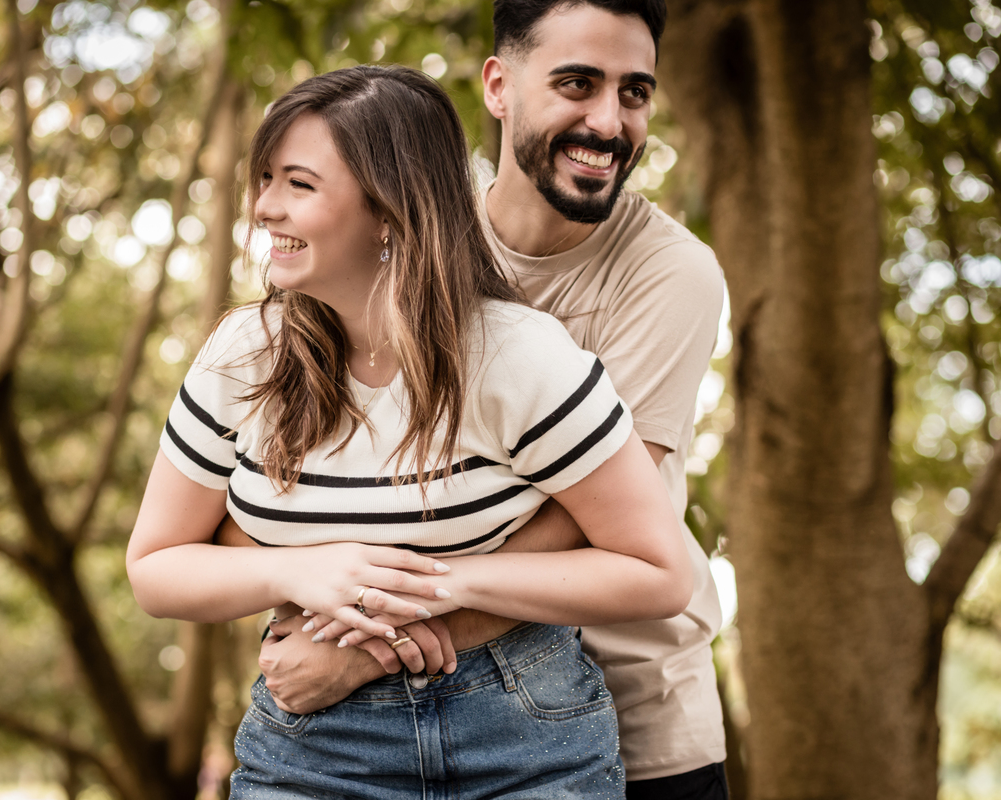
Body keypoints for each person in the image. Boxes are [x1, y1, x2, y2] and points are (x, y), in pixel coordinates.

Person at [126, 64, 695, 798]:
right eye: (265, 179)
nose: (265, 206)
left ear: (390, 210)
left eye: (299, 184)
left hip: (523, 734)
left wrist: (434, 592)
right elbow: (156, 564)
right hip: (314, 739)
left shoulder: (516, 355)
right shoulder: (243, 356)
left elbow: (658, 570)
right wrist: (295, 572)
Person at [247, 2, 730, 798]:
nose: (608, 122)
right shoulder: (411, 230)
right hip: (389, 720)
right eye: (577, 84)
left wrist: (365, 649)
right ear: (499, 87)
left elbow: (585, 512)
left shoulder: (670, 272)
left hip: (630, 713)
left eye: (634, 93)